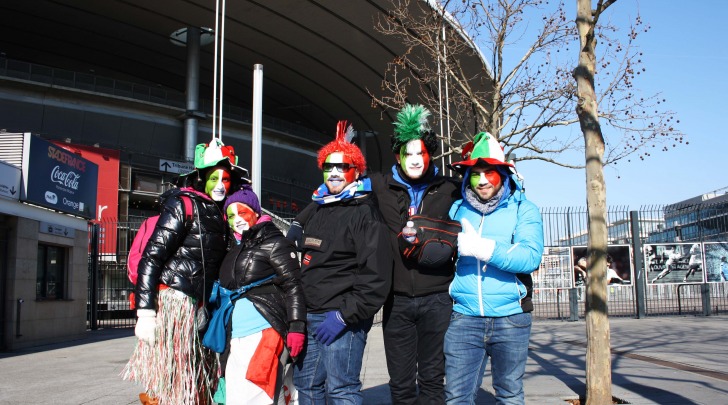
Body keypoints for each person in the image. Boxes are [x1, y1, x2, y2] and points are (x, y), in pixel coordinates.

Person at [123, 139, 249, 405]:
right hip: (177, 304)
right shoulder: (183, 205)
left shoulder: (223, 213)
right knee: (175, 380)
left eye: (225, 179)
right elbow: (152, 257)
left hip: (204, 307)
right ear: (201, 177)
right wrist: (146, 312)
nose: (220, 185)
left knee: (199, 379)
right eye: (214, 178)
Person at [290, 121, 392, 404]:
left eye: (343, 167)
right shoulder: (319, 208)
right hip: (308, 316)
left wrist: (345, 315)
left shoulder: (365, 214)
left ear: (356, 171)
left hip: (340, 319)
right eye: (328, 166)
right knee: (307, 387)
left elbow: (376, 277)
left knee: (341, 390)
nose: (334, 172)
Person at [368, 104, 460, 404]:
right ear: (398, 156)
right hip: (397, 300)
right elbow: (339, 190)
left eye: (421, 153)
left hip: (438, 297)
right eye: (408, 154)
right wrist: (300, 224)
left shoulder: (449, 188)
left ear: (429, 154)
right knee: (401, 383)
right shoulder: (380, 185)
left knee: (433, 380)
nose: (415, 159)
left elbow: (484, 196)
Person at [445, 132, 544, 405]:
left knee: (510, 396)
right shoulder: (457, 210)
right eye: (476, 174)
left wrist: (484, 249)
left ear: (502, 173)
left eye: (490, 172)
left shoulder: (524, 209)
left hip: (510, 319)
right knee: (456, 397)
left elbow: (530, 256)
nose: (483, 180)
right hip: (464, 318)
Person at [214, 185, 307, 405]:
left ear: (256, 212)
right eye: (230, 215)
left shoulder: (275, 242)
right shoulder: (236, 247)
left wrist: (296, 326)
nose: (236, 219)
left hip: (264, 331)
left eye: (242, 212)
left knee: (257, 395)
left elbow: (293, 284)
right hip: (236, 337)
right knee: (236, 397)